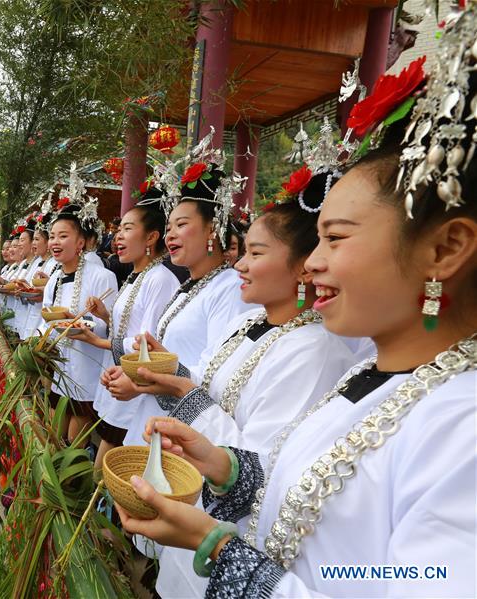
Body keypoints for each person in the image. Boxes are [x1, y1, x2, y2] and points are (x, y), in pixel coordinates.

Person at [117, 46, 477, 598]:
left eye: (336, 238)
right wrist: (227, 468)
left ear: (446, 249)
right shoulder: (373, 377)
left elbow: (393, 581)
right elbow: (322, 519)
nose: (314, 262)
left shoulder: (463, 426)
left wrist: (223, 552)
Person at [124, 171, 358, 596]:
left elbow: (263, 462)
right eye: (244, 251)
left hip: (231, 530)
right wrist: (171, 372)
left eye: (255, 252)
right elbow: (209, 384)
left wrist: (185, 393)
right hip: (197, 504)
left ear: (301, 268)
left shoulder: (313, 350)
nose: (241, 264)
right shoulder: (249, 321)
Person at [103, 163, 249, 451]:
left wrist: (144, 383)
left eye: (181, 225)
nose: (170, 235)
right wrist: (136, 373)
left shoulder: (230, 288)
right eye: (169, 227)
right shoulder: (188, 288)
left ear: (213, 230)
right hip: (154, 416)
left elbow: (217, 373)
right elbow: (170, 354)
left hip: (188, 433)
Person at [67, 193, 180, 467]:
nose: (118, 237)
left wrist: (99, 342)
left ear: (151, 238)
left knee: (108, 466)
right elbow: (129, 324)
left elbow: (147, 342)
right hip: (114, 379)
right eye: (118, 230)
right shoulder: (134, 276)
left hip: (132, 385)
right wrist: (104, 314)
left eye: (127, 229)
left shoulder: (160, 280)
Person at [42, 205, 116, 444]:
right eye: (52, 236)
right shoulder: (53, 278)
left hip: (87, 368)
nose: (55, 241)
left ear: (80, 243)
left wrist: (86, 319)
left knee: (74, 442)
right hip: (60, 366)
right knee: (53, 435)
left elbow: (112, 325)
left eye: (63, 236)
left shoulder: (102, 277)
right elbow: (46, 317)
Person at [20, 220, 57, 339]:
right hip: (29, 315)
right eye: (33, 239)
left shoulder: (54, 263)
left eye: (37, 239)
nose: (33, 243)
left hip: (43, 319)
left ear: (47, 243)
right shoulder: (37, 262)